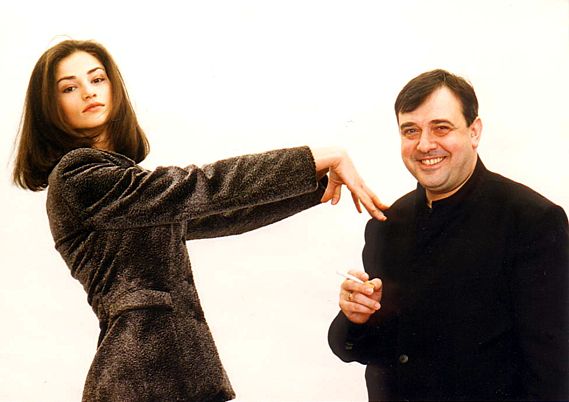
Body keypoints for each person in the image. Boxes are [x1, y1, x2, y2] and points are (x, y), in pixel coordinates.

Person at [12, 39, 387, 402]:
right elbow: (203, 186)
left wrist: (314, 188)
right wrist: (316, 158)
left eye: (97, 79)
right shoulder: (78, 176)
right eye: (69, 87)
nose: (88, 92)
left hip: (170, 374)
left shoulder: (123, 186)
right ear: (50, 106)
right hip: (140, 380)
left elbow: (222, 214)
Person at [328, 69, 569, 401]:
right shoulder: (387, 224)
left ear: (474, 131)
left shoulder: (531, 221)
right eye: (410, 131)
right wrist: (356, 317)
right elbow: (372, 351)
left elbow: (554, 370)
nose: (425, 144)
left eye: (441, 127)